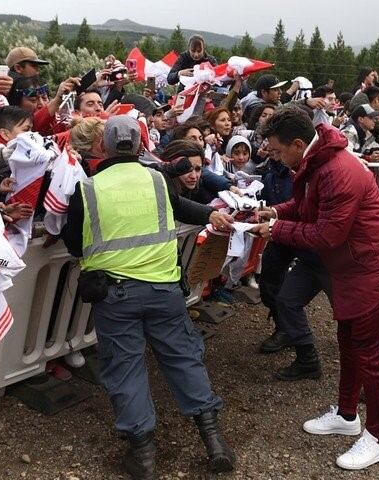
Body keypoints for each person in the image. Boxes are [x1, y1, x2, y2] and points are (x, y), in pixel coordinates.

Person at [62, 116, 236, 479]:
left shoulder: (87, 189)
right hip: (164, 290)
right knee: (183, 359)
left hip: (116, 296)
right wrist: (210, 214)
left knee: (125, 369)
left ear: (103, 148)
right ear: (141, 146)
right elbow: (179, 207)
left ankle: (143, 457)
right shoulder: (158, 179)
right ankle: (214, 442)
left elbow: (74, 243)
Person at [250, 107, 379, 470]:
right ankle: (346, 415)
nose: (275, 157)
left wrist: (276, 231)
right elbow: (308, 206)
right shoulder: (320, 162)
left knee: (373, 361)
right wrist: (276, 212)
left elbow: (327, 234)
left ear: (297, 144)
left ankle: (378, 436)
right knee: (349, 346)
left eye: (277, 152)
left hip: (374, 274)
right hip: (354, 273)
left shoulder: (337, 170)